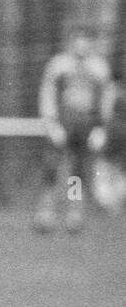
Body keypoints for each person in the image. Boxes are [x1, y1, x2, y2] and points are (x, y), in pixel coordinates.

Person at [33, 29, 116, 233]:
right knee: (51, 168)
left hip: (86, 124)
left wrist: (101, 128)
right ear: (71, 42)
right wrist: (51, 123)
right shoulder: (59, 65)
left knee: (77, 172)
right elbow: (48, 94)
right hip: (63, 122)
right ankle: (46, 214)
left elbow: (106, 99)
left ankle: (74, 214)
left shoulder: (99, 68)